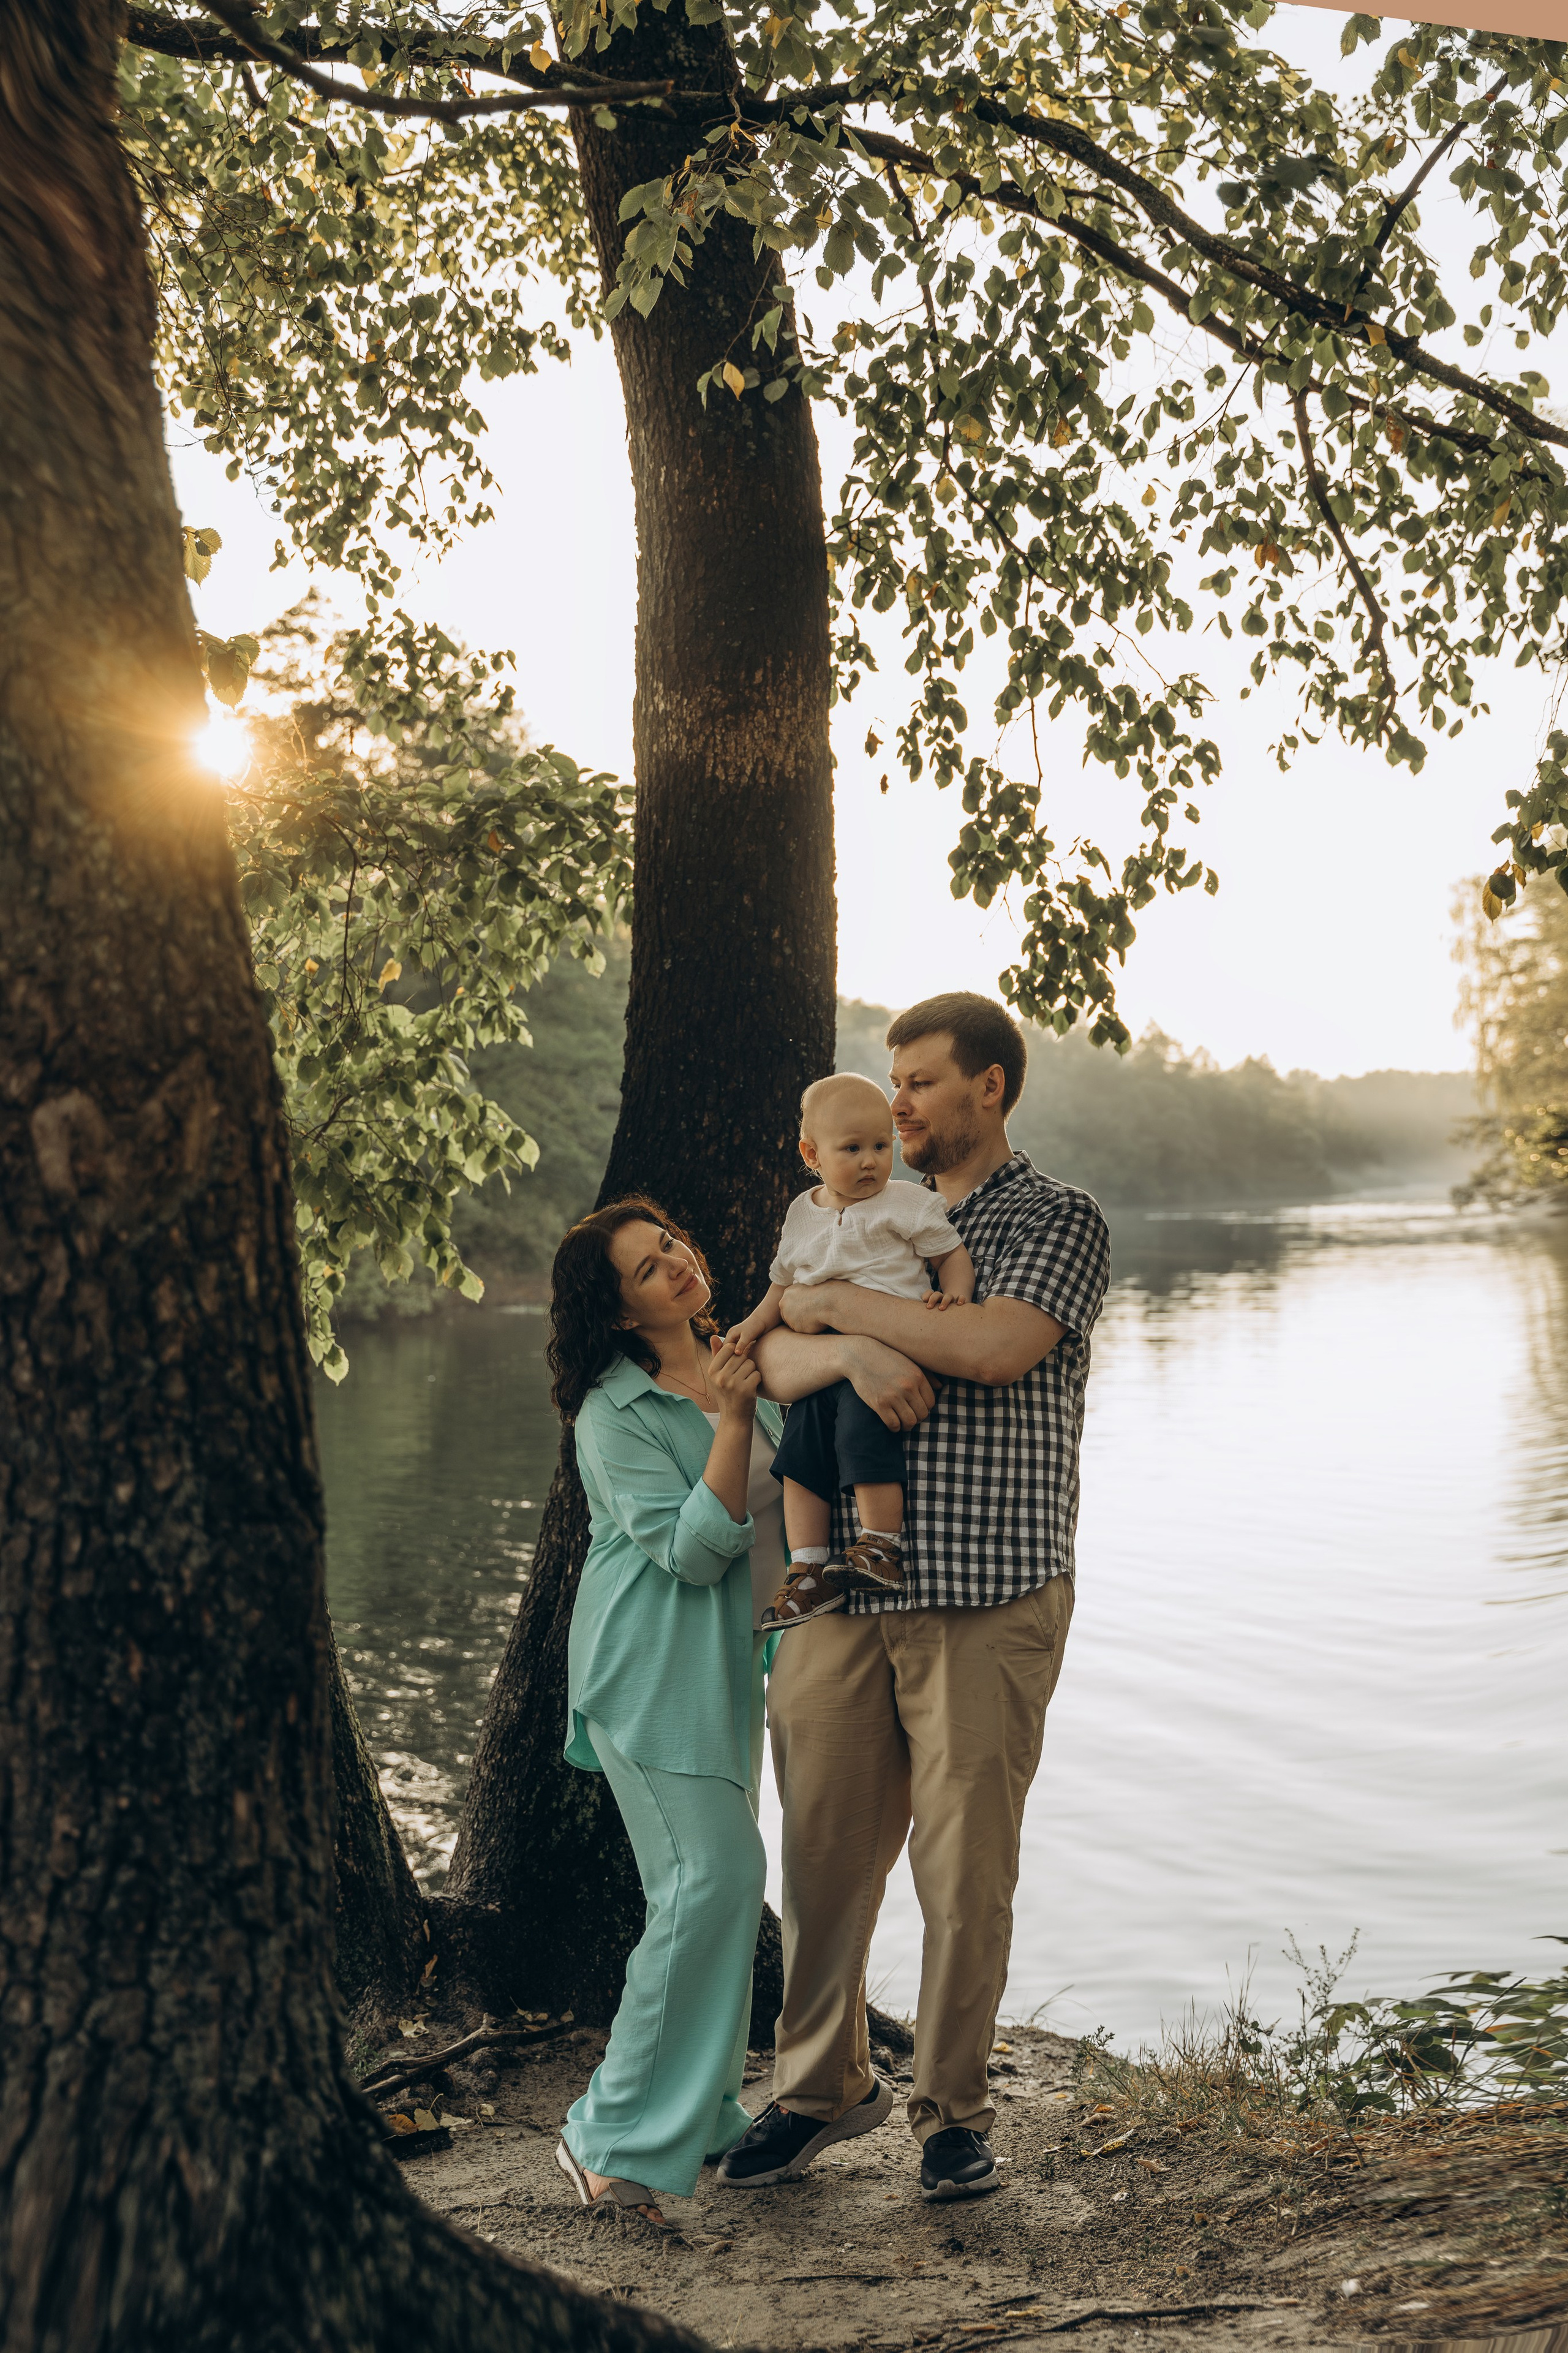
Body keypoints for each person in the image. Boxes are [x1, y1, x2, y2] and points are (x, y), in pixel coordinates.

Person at [718, 992, 1110, 2204]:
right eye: (891, 1085)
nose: (898, 1106)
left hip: (985, 1593)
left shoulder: (1051, 1217)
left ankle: (950, 2111)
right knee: (821, 1857)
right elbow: (763, 1359)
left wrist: (840, 1309)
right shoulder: (842, 1204)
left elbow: (994, 1346)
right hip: (837, 1591)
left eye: (923, 1082)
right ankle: (818, 2091)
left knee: (962, 1869)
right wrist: (844, 1348)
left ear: (989, 1086)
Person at [548, 1196, 788, 2224]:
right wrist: (731, 1420)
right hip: (646, 1676)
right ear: (618, 1311)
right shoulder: (613, 1414)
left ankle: (702, 2110)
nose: (677, 1264)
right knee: (710, 1881)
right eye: (648, 1268)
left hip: (728, 1671)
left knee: (719, 1888)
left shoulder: (746, 1359)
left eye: (672, 1245)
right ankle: (604, 2136)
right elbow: (693, 1553)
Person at [726, 1072, 973, 1629]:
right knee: (799, 1453)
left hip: (889, 1352)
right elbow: (782, 1285)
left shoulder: (906, 1202)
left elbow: (950, 1254)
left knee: (863, 1434)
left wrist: (956, 1294)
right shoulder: (801, 1213)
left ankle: (881, 1544)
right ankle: (808, 1566)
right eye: (852, 1149)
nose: (870, 1162)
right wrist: (753, 1325)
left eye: (882, 1146)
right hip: (822, 1360)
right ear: (812, 1154)